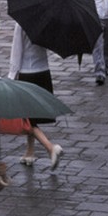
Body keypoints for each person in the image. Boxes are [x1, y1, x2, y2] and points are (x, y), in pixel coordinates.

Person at [7, 22, 64, 168]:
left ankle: (50, 148)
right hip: (43, 71)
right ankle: (30, 152)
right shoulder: (47, 22)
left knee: (27, 119)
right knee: (31, 116)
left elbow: (16, 51)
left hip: (27, 73)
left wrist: (11, 76)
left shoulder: (21, 24)